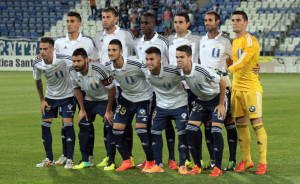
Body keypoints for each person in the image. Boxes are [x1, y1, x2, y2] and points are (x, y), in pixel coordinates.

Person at [54, 11, 98, 167]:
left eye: (72, 21)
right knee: (65, 122)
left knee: (86, 121)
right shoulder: (59, 42)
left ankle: (89, 156)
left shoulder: (87, 41)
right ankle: (66, 154)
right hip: (66, 88)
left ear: (79, 23)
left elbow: (96, 61)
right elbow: (54, 63)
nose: (68, 24)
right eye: (67, 21)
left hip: (84, 88)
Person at [94, 7, 136, 167]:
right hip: (106, 84)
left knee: (124, 122)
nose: (105, 19)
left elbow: (135, 53)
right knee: (108, 120)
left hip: (122, 83)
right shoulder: (98, 36)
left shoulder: (125, 34)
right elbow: (98, 57)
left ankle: (129, 156)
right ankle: (109, 156)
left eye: (108, 17)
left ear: (116, 19)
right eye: (103, 17)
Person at [135, 12, 178, 170]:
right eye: (141, 22)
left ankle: (172, 158)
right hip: (145, 90)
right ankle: (151, 159)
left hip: (163, 89)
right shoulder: (138, 43)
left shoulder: (163, 42)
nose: (143, 25)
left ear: (153, 24)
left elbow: (172, 64)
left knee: (166, 124)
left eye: (146, 23)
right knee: (148, 125)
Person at [176, 45, 227, 176]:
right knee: (190, 130)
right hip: (201, 101)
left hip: (216, 99)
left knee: (216, 131)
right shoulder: (180, 71)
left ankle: (218, 168)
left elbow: (222, 82)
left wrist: (221, 104)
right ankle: (197, 165)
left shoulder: (200, 69)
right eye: (177, 57)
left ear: (189, 57)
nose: (178, 60)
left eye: (181, 57)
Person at [105, 39, 154, 172]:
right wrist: (108, 109)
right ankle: (127, 161)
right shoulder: (108, 67)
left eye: (114, 50)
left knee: (141, 129)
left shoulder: (136, 64)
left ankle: (150, 161)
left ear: (121, 52)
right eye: (109, 50)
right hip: (126, 98)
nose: (111, 53)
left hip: (144, 98)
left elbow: (151, 77)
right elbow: (108, 84)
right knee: (116, 129)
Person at [228, 10, 267, 175]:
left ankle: (263, 163)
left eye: (238, 20)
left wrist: (227, 69)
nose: (235, 23)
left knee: (256, 124)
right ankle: (246, 160)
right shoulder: (233, 42)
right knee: (240, 123)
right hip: (236, 88)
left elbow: (243, 61)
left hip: (251, 88)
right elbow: (234, 60)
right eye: (233, 20)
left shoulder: (250, 41)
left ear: (246, 22)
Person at [199, 10, 238, 171]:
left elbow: (237, 60)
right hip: (206, 90)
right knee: (208, 123)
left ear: (218, 22)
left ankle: (232, 160)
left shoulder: (227, 41)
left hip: (223, 87)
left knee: (228, 122)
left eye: (210, 20)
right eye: (205, 20)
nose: (207, 22)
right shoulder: (201, 40)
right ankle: (214, 160)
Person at [69, 48, 117, 170]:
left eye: (79, 61)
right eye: (74, 61)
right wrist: (82, 109)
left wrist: (109, 110)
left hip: (105, 100)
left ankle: (111, 161)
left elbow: (112, 88)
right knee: (83, 125)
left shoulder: (99, 69)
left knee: (109, 126)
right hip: (89, 101)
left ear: (86, 60)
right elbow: (77, 89)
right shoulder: (72, 71)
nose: (76, 64)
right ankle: (85, 160)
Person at [143, 47, 189, 174]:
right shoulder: (145, 71)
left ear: (159, 60)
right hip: (161, 106)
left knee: (182, 134)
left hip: (179, 104)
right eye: (147, 59)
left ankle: (182, 165)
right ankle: (158, 165)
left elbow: (190, 73)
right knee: (155, 132)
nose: (148, 62)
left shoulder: (173, 71)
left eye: (152, 59)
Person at [34, 37, 76, 169]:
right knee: (45, 125)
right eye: (40, 49)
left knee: (68, 124)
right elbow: (38, 80)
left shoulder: (64, 59)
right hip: (50, 97)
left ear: (53, 49)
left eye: (45, 49)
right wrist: (42, 100)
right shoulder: (37, 62)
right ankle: (49, 159)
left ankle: (69, 159)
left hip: (67, 96)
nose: (42, 51)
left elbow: (78, 62)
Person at [168, 12, 201, 169]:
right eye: (175, 22)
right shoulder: (169, 40)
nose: (177, 25)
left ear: (188, 24)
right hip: (176, 89)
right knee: (181, 125)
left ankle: (199, 159)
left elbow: (201, 61)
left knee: (195, 124)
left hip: (193, 88)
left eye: (180, 22)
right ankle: (184, 158)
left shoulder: (197, 40)